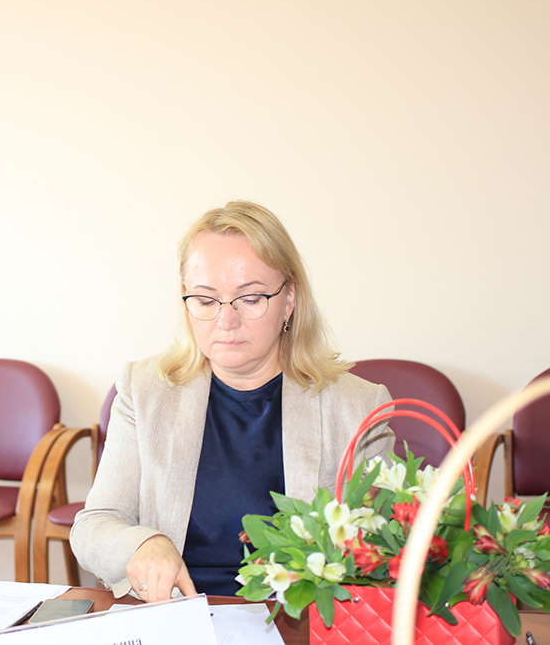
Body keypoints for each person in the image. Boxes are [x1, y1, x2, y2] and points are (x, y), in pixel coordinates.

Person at [70, 201, 394, 602]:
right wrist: (142, 544)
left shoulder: (357, 406)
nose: (226, 321)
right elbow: (95, 525)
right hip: (174, 613)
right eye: (206, 301)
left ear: (289, 299)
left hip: (294, 620)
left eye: (251, 298)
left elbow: (383, 549)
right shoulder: (146, 390)